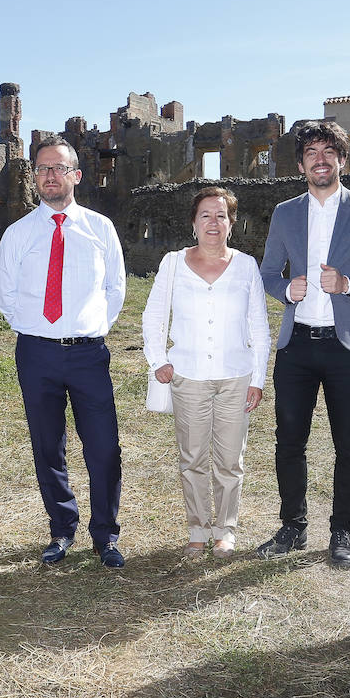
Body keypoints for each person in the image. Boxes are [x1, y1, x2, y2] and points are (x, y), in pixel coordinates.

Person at [256, 120, 350, 567]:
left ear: (342, 159)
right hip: (296, 346)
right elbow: (267, 272)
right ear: (301, 163)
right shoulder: (284, 212)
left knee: (349, 443)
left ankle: (341, 533)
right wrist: (285, 290)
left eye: (328, 152)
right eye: (311, 153)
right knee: (289, 442)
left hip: (347, 346)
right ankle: (293, 527)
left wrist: (348, 282)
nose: (320, 160)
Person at [0, 137, 128, 569]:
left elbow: (115, 289)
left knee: (103, 448)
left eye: (58, 168)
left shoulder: (99, 228)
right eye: (41, 169)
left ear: (76, 175)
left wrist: (88, 329)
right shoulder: (19, 234)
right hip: (37, 355)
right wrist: (40, 331)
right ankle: (61, 528)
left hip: (89, 355)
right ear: (34, 177)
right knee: (47, 447)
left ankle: (105, 535)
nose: (49, 176)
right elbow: (8, 296)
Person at [142, 187, 270, 560]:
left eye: (221, 216)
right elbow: (153, 316)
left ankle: (225, 531)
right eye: (205, 215)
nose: (213, 223)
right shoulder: (172, 263)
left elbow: (259, 326)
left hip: (236, 377)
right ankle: (198, 530)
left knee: (231, 459)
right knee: (193, 457)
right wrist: (157, 359)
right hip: (189, 376)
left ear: (232, 223)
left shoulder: (246, 265)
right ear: (193, 223)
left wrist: (258, 379)